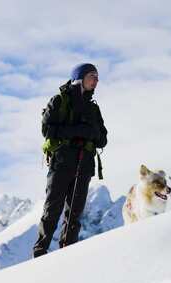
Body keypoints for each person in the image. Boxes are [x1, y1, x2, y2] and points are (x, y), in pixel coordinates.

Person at [33, 63, 108, 258]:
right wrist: (79, 131)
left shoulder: (93, 108)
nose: (97, 81)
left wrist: (91, 134)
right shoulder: (59, 101)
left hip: (84, 165)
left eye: (97, 77)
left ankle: (67, 255)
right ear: (80, 77)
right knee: (53, 209)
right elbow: (47, 130)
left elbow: (103, 139)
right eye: (93, 76)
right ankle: (39, 253)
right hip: (62, 162)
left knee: (75, 213)